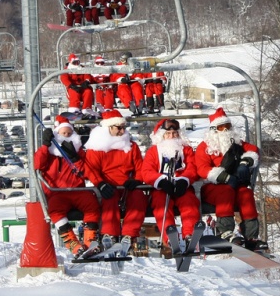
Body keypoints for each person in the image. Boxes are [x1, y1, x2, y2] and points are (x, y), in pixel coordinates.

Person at [194, 107, 265, 250]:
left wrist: (245, 162)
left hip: (235, 185)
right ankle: (224, 230)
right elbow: (202, 169)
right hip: (213, 187)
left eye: (228, 126)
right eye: (221, 127)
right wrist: (222, 176)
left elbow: (253, 150)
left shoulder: (237, 143)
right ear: (214, 130)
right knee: (225, 191)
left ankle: (251, 235)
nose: (225, 130)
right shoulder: (205, 147)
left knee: (246, 193)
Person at [34, 115, 101, 256]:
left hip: (78, 190)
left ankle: (90, 239)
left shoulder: (78, 152)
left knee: (92, 204)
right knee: (55, 211)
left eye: (69, 134)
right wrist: (45, 146)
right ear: (57, 134)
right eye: (63, 134)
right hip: (57, 192)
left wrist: (74, 158)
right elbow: (37, 164)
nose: (66, 136)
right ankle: (73, 243)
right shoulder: (50, 154)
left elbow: (85, 170)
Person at [84, 109, 147, 246]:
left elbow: (140, 166)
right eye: (119, 128)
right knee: (109, 201)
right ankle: (109, 233)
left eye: (124, 128)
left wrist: (137, 179)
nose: (122, 131)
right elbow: (91, 169)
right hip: (108, 184)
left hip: (126, 184)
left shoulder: (130, 146)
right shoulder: (97, 147)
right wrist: (100, 184)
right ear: (109, 128)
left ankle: (129, 234)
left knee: (139, 198)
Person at [141, 118, 201, 254]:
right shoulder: (153, 152)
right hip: (162, 187)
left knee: (189, 203)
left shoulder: (186, 150)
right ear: (162, 136)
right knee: (161, 205)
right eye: (168, 134)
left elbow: (193, 167)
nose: (172, 137)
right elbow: (146, 171)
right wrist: (160, 180)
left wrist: (184, 180)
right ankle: (169, 236)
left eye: (174, 134)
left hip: (181, 185)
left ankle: (190, 235)